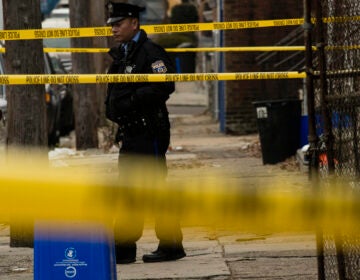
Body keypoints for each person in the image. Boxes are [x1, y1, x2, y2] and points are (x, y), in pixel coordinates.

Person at [104, 1, 186, 264]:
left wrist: (130, 102)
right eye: (112, 25)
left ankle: (171, 245)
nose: (114, 30)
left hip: (148, 130)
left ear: (134, 23)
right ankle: (124, 248)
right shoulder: (124, 53)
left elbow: (165, 85)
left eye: (118, 24)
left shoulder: (151, 52)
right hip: (130, 132)